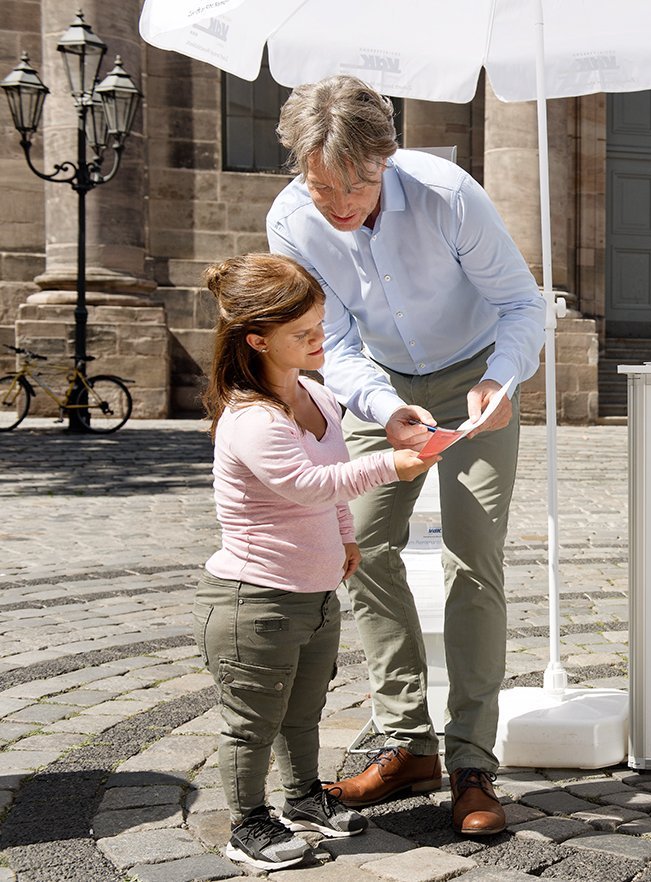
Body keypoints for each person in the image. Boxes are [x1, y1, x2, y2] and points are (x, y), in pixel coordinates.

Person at [267, 76, 545, 836]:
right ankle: (406, 740)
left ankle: (471, 760)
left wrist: (498, 378)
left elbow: (522, 305)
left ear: (385, 159)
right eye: (321, 184)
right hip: (378, 383)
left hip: (477, 372)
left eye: (353, 183)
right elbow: (337, 343)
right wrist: (387, 411)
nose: (337, 202)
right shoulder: (292, 221)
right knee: (359, 545)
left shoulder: (448, 194)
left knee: (472, 552)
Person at [198, 253, 438, 870]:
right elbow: (305, 482)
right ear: (257, 341)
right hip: (256, 597)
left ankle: (304, 798)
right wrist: (392, 464)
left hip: (314, 590)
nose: (319, 339)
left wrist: (344, 538)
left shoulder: (317, 397)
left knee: (304, 710)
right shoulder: (251, 417)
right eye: (302, 334)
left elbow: (327, 489)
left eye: (320, 325)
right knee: (253, 721)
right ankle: (248, 823)